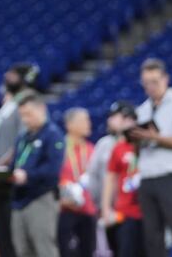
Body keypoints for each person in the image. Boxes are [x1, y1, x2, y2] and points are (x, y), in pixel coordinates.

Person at [130, 58, 172, 257]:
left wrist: (156, 138)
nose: (150, 87)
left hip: (171, 176)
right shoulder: (141, 110)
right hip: (147, 176)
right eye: (146, 83)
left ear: (165, 79)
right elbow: (137, 152)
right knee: (152, 236)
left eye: (155, 81)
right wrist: (137, 141)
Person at [0, 64, 39, 257]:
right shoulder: (8, 105)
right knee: (2, 241)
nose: (7, 76)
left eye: (13, 74)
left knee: (13, 243)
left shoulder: (26, 103)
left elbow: (21, 144)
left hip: (8, 181)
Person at [10, 92, 64, 257]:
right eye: (22, 115)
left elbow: (53, 170)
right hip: (19, 199)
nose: (25, 119)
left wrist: (27, 176)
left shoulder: (53, 134)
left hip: (41, 198)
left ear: (42, 109)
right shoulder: (23, 137)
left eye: (29, 114)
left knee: (44, 249)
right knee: (22, 250)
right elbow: (15, 163)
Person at [101, 101, 145, 257]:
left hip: (148, 211)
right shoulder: (117, 148)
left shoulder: (147, 145)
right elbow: (109, 178)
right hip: (125, 211)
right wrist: (106, 208)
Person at [85, 100, 129, 254]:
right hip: (109, 209)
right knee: (115, 249)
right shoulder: (104, 144)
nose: (110, 120)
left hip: (132, 210)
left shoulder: (137, 144)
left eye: (115, 117)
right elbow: (93, 176)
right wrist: (98, 205)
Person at [57, 108, 96, 257]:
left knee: (88, 251)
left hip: (88, 209)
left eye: (88, 119)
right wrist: (61, 199)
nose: (88, 124)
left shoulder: (91, 149)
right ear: (69, 125)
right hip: (65, 208)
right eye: (83, 120)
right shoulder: (59, 148)